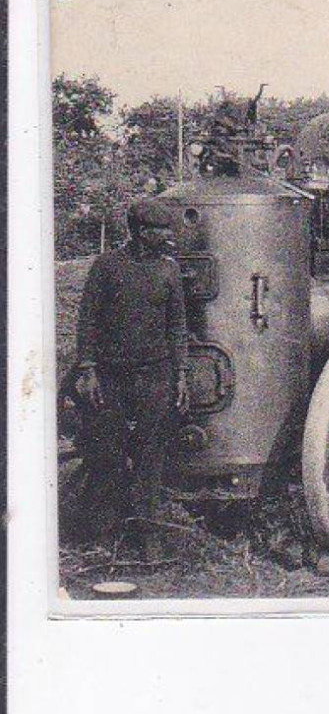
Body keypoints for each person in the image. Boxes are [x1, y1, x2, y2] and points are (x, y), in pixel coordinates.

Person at [74, 198, 191, 560]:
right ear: (141, 232)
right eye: (161, 230)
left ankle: (148, 536)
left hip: (155, 375)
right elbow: (87, 321)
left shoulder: (169, 271)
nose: (169, 236)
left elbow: (177, 327)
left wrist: (182, 374)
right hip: (111, 376)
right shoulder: (106, 267)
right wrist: (88, 370)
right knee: (106, 451)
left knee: (149, 455)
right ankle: (104, 534)